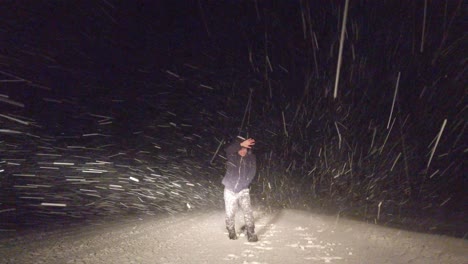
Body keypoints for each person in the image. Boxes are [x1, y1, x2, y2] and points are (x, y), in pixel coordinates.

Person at [222, 136, 258, 242]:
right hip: (229, 189)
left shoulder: (251, 158)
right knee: (230, 212)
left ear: (248, 149)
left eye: (245, 149)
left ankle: (251, 233)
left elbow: (252, 172)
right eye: (241, 148)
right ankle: (231, 230)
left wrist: (244, 184)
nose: (243, 151)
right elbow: (228, 149)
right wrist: (241, 144)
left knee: (248, 212)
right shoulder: (232, 156)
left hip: (243, 190)